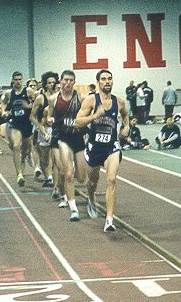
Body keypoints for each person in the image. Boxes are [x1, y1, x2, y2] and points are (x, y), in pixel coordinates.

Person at [75, 69, 129, 232]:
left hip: (111, 147)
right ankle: (91, 198)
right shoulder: (91, 100)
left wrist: (126, 127)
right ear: (98, 82)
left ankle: (109, 220)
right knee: (92, 182)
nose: (107, 81)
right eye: (104, 79)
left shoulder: (119, 102)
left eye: (109, 79)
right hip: (94, 148)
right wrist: (94, 116)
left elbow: (125, 115)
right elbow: (77, 122)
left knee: (111, 180)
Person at [48, 69, 87, 222]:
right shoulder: (53, 99)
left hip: (78, 138)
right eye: (66, 80)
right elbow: (49, 115)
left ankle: (73, 197)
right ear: (61, 82)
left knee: (82, 177)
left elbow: (87, 113)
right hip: (63, 138)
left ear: (74, 82)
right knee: (68, 173)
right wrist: (50, 120)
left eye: (71, 80)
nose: (68, 83)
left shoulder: (81, 98)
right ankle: (73, 208)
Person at [1, 71, 35, 186]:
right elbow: (4, 105)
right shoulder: (9, 94)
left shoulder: (29, 91)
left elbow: (36, 104)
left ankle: (24, 158)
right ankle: (19, 174)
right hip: (15, 123)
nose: (18, 81)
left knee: (25, 150)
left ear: (22, 80)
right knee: (16, 146)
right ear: (12, 80)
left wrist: (28, 106)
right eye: (15, 79)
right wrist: (4, 112)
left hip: (27, 124)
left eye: (20, 79)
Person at [30, 71, 59, 185]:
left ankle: (51, 177)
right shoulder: (40, 98)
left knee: (55, 155)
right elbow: (32, 116)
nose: (52, 84)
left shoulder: (59, 97)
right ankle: (46, 173)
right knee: (44, 157)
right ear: (45, 84)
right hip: (43, 128)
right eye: (49, 82)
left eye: (53, 82)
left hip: (56, 129)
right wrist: (38, 127)